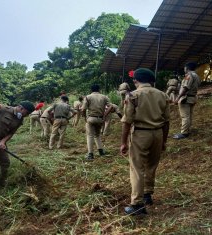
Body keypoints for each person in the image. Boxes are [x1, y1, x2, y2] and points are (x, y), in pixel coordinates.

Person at [120, 68, 170, 216]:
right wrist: (163, 141)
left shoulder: (133, 95)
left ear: (135, 81)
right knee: (152, 165)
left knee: (137, 168)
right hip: (158, 133)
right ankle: (148, 194)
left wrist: (123, 142)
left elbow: (127, 122)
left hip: (141, 134)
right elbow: (167, 121)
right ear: (151, 81)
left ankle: (137, 204)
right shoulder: (163, 95)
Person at [81, 84, 110, 160]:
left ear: (91, 90)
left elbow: (83, 109)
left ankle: (90, 154)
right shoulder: (104, 97)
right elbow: (111, 106)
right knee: (97, 135)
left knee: (90, 135)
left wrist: (84, 117)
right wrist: (104, 115)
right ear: (99, 89)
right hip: (100, 119)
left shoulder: (88, 97)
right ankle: (101, 151)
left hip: (91, 118)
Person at [173, 62, 201, 139]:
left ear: (187, 68)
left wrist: (178, 98)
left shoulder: (188, 75)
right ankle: (187, 130)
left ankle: (184, 133)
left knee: (185, 116)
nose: (184, 69)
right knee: (189, 116)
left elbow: (185, 88)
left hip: (185, 98)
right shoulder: (197, 76)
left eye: (185, 68)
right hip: (193, 98)